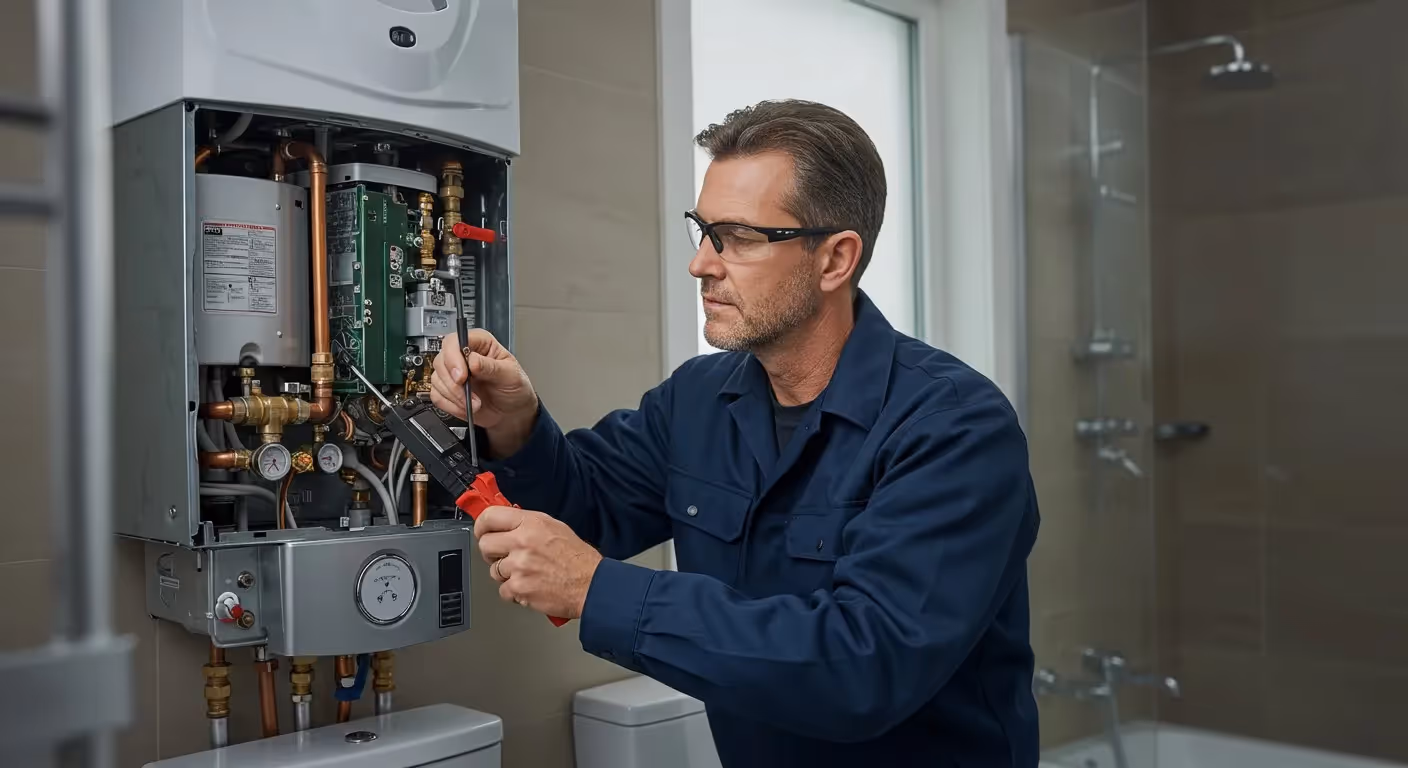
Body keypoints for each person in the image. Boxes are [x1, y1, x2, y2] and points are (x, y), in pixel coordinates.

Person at [431, 99, 1040, 767]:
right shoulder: (697, 400)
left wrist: (595, 589)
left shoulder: (954, 429)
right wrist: (515, 425)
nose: (700, 264)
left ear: (835, 260)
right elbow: (586, 506)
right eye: (701, 229)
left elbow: (862, 668)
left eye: (739, 238)